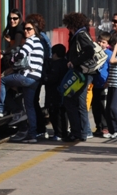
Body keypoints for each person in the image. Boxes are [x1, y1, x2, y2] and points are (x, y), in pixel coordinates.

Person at [3, 18, 46, 143]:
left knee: (2, 82)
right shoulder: (39, 42)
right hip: (35, 79)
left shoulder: (30, 41)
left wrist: (11, 60)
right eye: (25, 29)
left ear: (35, 30)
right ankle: (32, 135)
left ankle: (5, 109)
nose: (26, 31)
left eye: (29, 29)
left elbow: (21, 55)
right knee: (30, 107)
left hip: (27, 77)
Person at [60, 12, 95, 142]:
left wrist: (74, 61)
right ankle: (80, 132)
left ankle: (80, 132)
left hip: (83, 73)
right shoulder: (80, 34)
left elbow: (89, 51)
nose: (67, 28)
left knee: (75, 101)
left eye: (68, 25)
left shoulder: (80, 35)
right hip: (82, 72)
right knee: (75, 101)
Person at [25, 14, 50, 137]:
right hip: (40, 72)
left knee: (33, 101)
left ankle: (39, 128)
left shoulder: (40, 39)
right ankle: (40, 127)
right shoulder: (43, 37)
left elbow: (44, 56)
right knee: (34, 101)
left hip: (37, 72)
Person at [0, 9, 25, 116]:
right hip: (13, 64)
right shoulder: (12, 30)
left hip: (16, 65)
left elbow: (17, 45)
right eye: (10, 18)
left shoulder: (19, 30)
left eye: (15, 18)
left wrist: (3, 52)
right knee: (11, 89)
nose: (12, 21)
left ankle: (3, 108)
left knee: (3, 82)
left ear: (20, 19)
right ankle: (13, 111)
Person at [43, 44, 68, 140]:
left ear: (55, 54)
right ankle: (63, 132)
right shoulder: (65, 63)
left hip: (54, 93)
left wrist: (45, 77)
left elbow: (51, 79)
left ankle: (58, 134)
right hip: (64, 93)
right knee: (63, 113)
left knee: (55, 113)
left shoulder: (55, 65)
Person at [91, 31, 112, 137]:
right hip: (96, 84)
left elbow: (111, 69)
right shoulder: (94, 53)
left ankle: (105, 127)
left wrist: (108, 81)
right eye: (99, 41)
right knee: (95, 107)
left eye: (103, 42)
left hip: (104, 84)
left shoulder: (109, 54)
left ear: (108, 44)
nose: (100, 44)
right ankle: (98, 126)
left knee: (104, 107)